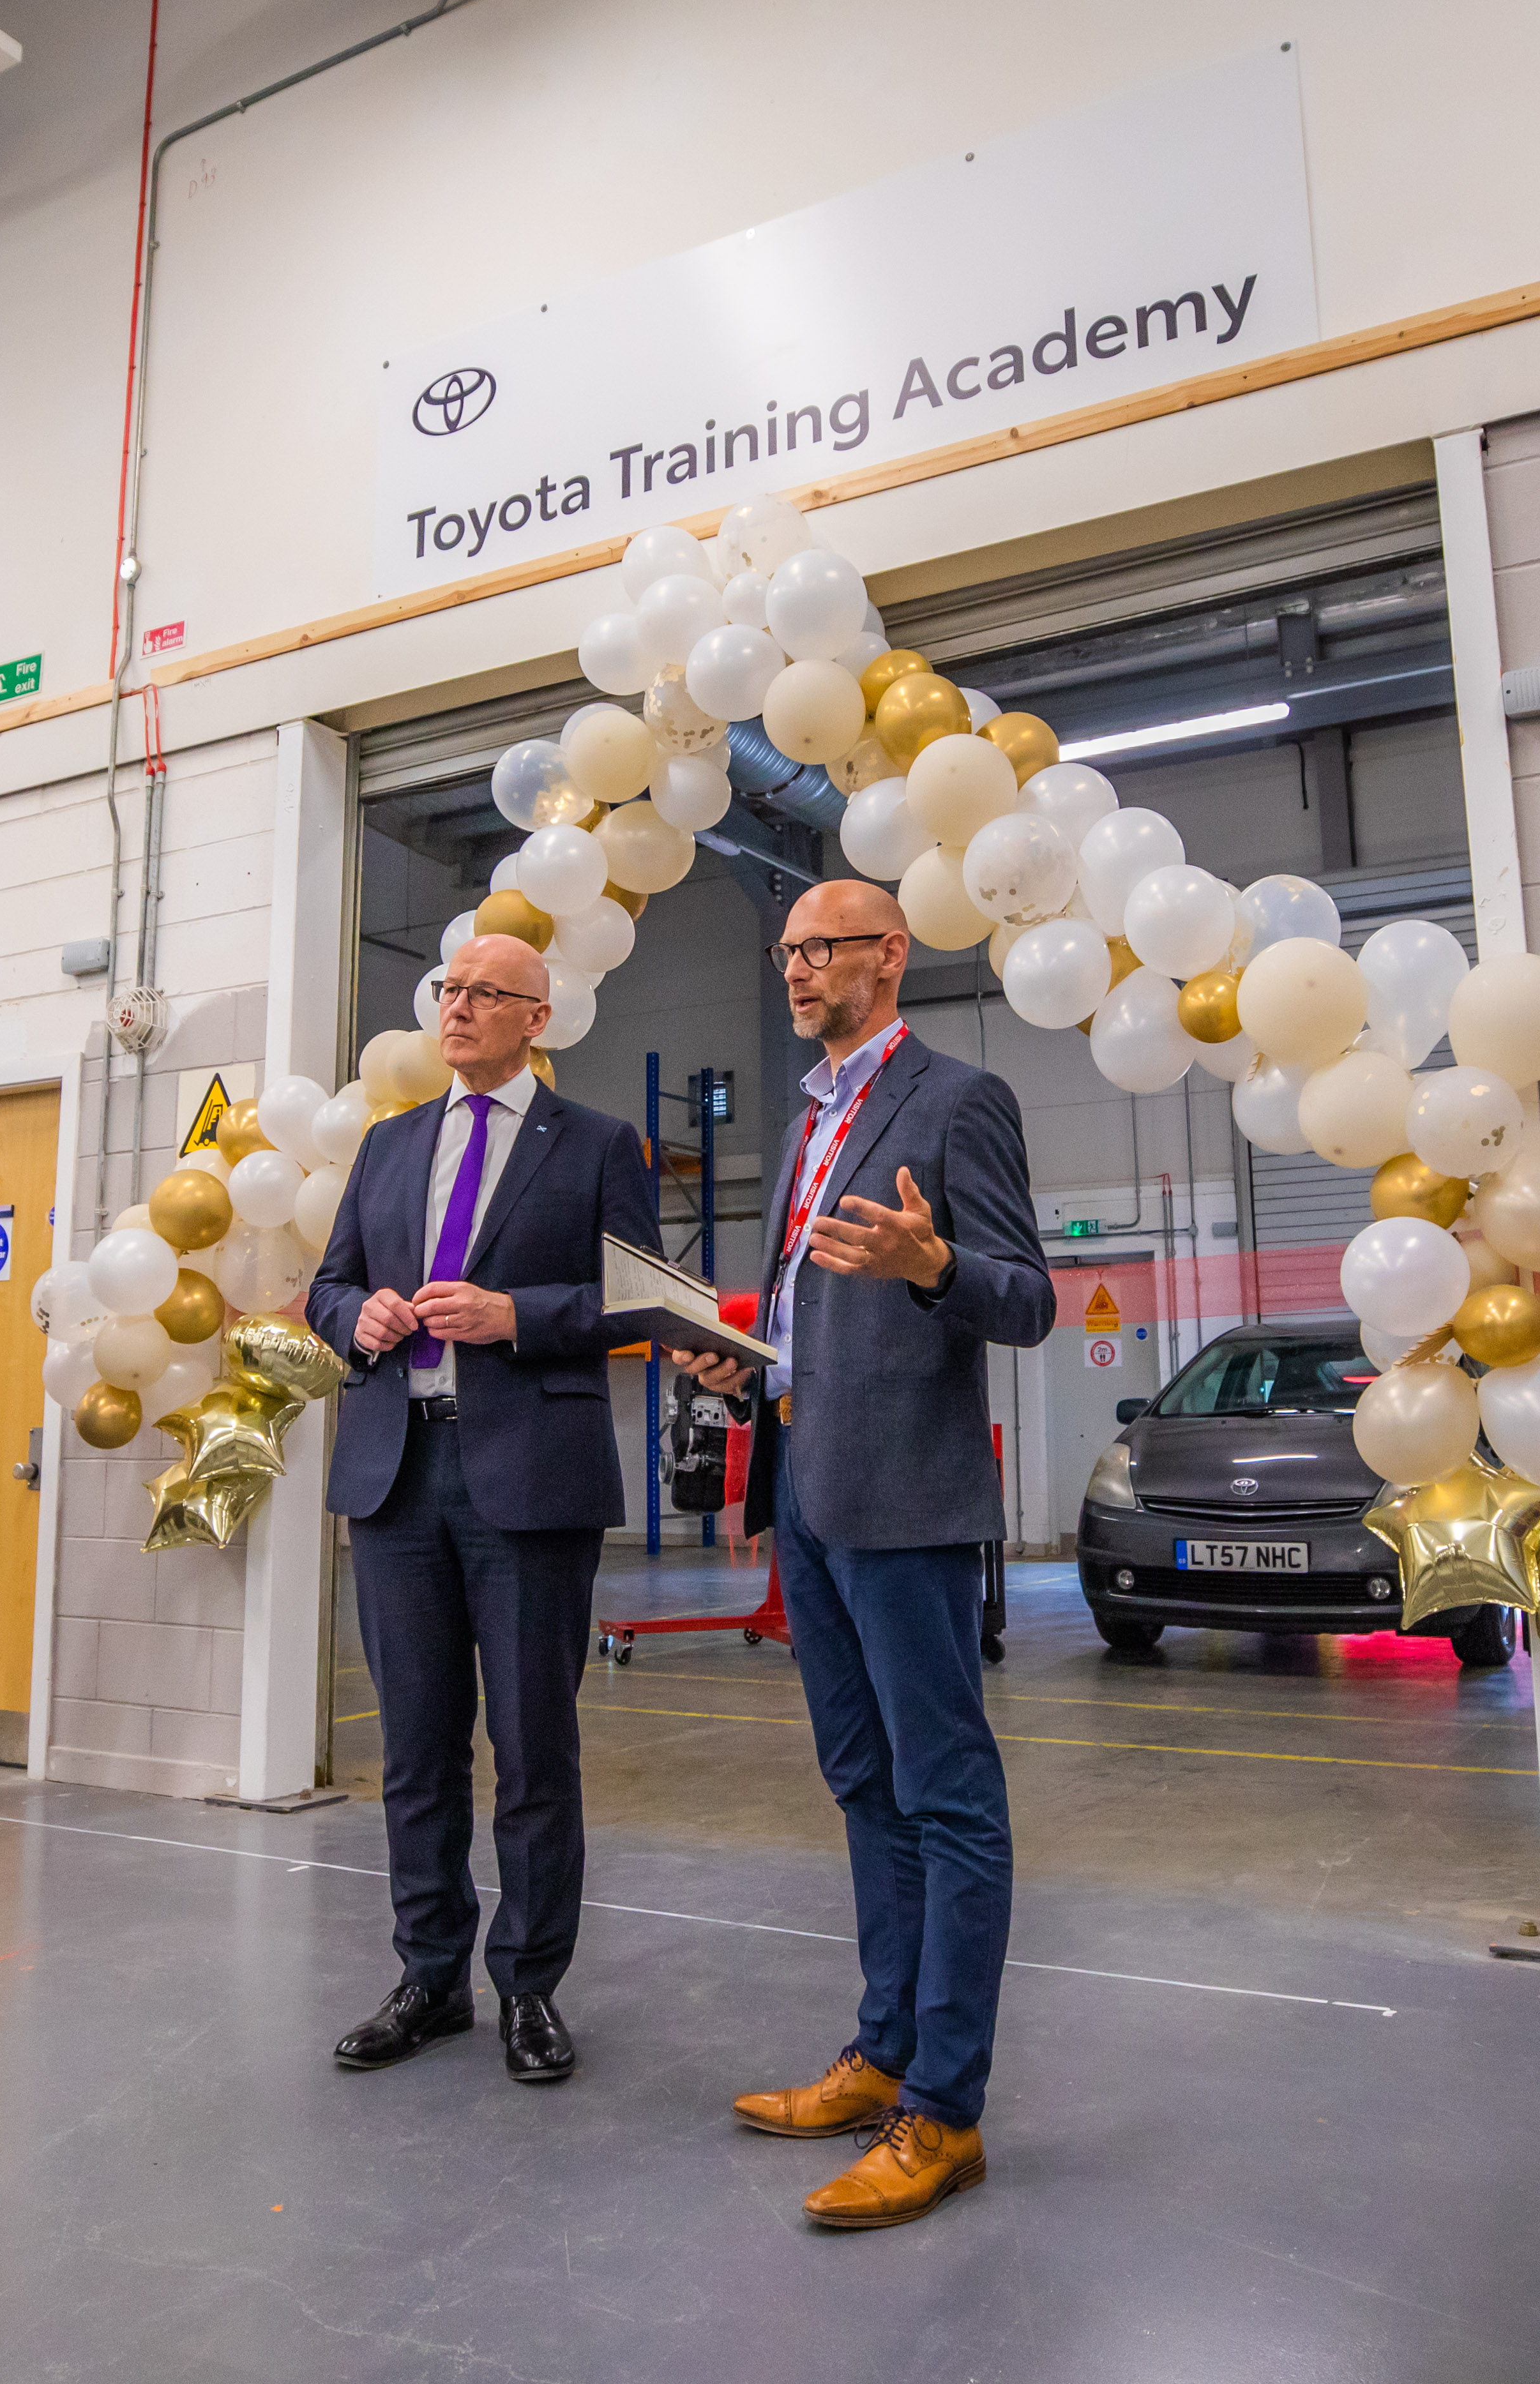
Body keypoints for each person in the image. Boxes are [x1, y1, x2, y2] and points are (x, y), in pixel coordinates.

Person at [678, 882, 1052, 2231]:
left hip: (908, 1497)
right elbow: (806, 1309)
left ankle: (943, 2110)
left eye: (819, 948)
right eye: (783, 950)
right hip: (814, 1487)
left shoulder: (957, 1102)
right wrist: (746, 1357)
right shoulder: (805, 1122)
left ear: (889, 957)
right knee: (863, 1784)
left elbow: (1025, 1298)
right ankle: (884, 2047)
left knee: (947, 1794)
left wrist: (935, 1257)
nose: (794, 969)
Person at [303, 932, 657, 2085]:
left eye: (481, 993)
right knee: (415, 1749)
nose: (454, 1007)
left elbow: (639, 1300)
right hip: (396, 1476)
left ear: (535, 1018)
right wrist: (352, 1318)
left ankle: (531, 1988)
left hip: (529, 1479)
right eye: (447, 990)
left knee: (532, 1749)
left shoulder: (599, 1145)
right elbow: (329, 1281)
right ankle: (429, 1977)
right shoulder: (391, 1141)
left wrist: (519, 1315)